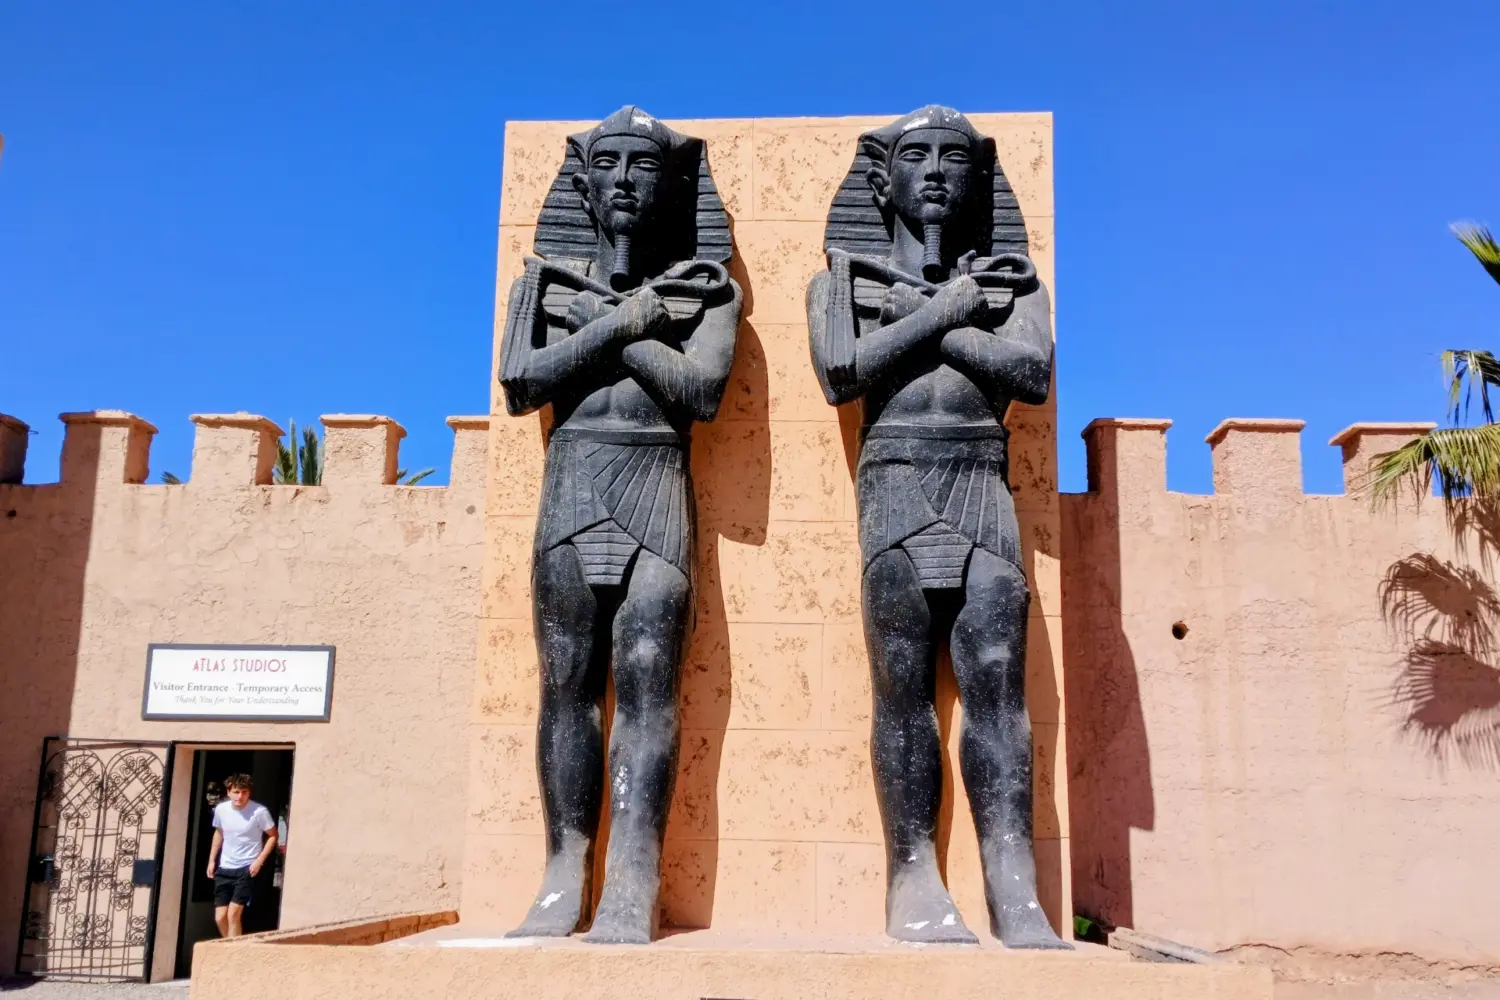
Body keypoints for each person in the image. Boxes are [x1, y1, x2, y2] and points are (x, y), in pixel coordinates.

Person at [807, 106, 1067, 948]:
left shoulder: (1015, 283)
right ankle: (912, 872)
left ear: (975, 178)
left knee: (997, 687)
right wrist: (954, 311)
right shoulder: (842, 281)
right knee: (903, 687)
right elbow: (844, 372)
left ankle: (1011, 881)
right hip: (893, 480)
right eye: (915, 157)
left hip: (982, 479)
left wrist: (931, 320)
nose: (933, 173)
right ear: (882, 179)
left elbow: (1028, 372)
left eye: (952, 159)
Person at [497, 106, 741, 944]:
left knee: (645, 681)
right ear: (586, 185)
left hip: (655, 482)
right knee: (565, 684)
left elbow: (700, 393)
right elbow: (523, 382)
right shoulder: (541, 283)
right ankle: (565, 866)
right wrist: (636, 322)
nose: (627, 180)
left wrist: (615, 325)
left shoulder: (707, 290)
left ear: (674, 185)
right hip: (572, 480)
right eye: (611, 166)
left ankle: (632, 873)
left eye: (645, 166)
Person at [206, 773, 277, 938]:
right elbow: (218, 833)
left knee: (233, 914)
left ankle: (234, 954)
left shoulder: (259, 811)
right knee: (220, 917)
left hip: (247, 868)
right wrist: (211, 861)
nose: (240, 796)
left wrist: (259, 861)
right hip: (225, 868)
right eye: (236, 792)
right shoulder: (221, 810)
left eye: (244, 792)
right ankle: (232, 947)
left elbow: (273, 836)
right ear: (229, 792)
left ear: (249, 793)